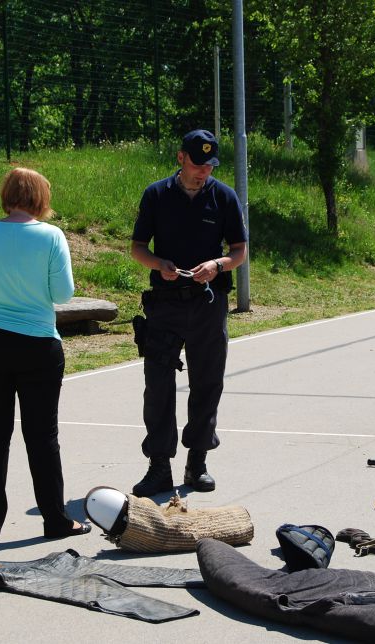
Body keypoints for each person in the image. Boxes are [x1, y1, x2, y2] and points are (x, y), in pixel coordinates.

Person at [0, 167, 90, 540]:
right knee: (42, 435)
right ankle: (55, 519)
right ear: (41, 198)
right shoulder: (51, 236)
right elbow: (63, 294)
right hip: (37, 344)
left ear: (7, 195)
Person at [130, 129, 248, 497]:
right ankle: (158, 467)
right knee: (159, 386)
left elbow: (239, 251)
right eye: (197, 164)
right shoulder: (156, 195)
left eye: (209, 166)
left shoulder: (224, 196)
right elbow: (137, 248)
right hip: (164, 304)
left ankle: (197, 462)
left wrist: (217, 264)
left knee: (207, 382)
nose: (203, 172)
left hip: (208, 304)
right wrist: (159, 263)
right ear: (181, 158)